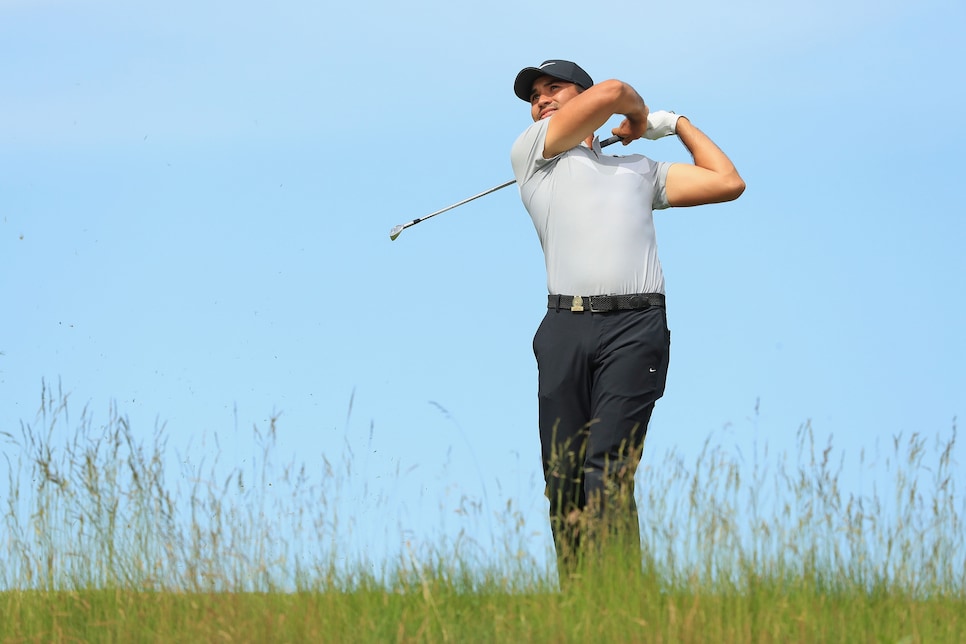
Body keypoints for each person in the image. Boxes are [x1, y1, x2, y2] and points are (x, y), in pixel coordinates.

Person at [509, 59, 745, 573]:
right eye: (535, 95)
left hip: (635, 328)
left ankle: (619, 602)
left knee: (607, 468)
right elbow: (616, 90)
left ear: (583, 96)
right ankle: (580, 607)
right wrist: (635, 116)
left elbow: (727, 182)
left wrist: (674, 123)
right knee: (565, 475)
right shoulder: (534, 153)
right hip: (563, 327)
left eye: (555, 88)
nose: (542, 100)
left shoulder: (640, 171)